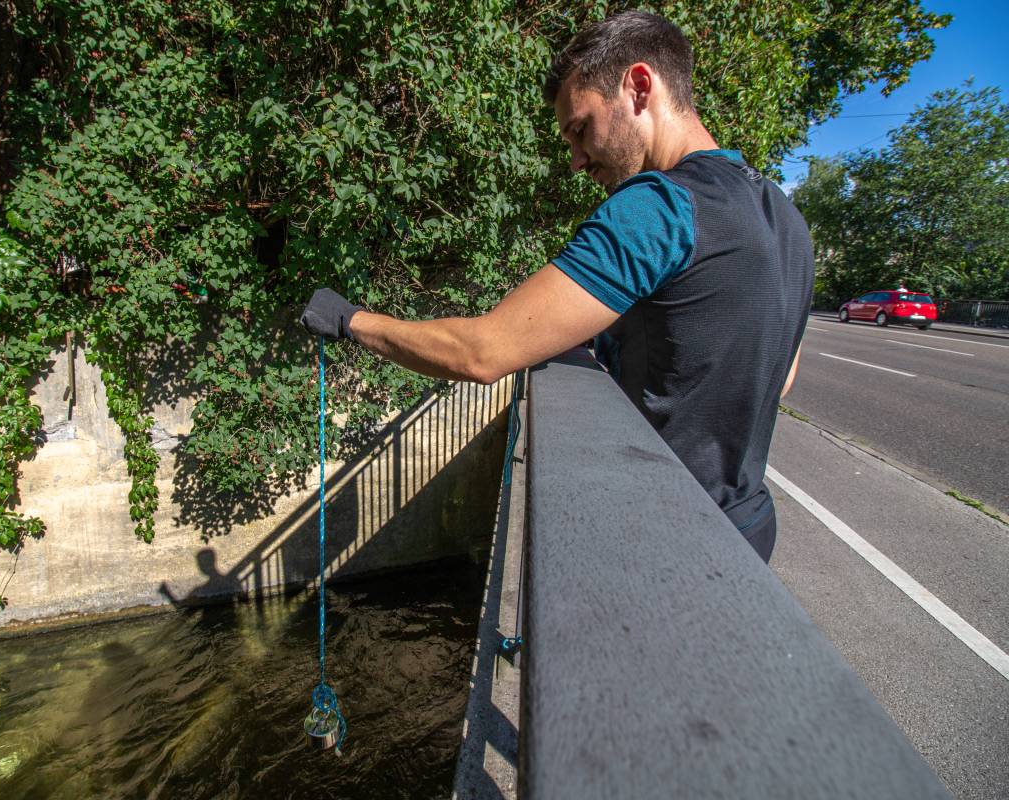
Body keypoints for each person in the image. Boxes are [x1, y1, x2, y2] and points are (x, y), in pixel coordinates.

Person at [300, 11, 813, 562]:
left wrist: (351, 320)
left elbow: (482, 352)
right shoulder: (783, 215)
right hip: (748, 527)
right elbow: (781, 376)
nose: (575, 161)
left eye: (580, 129)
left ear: (639, 87)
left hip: (664, 536)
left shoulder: (659, 207)